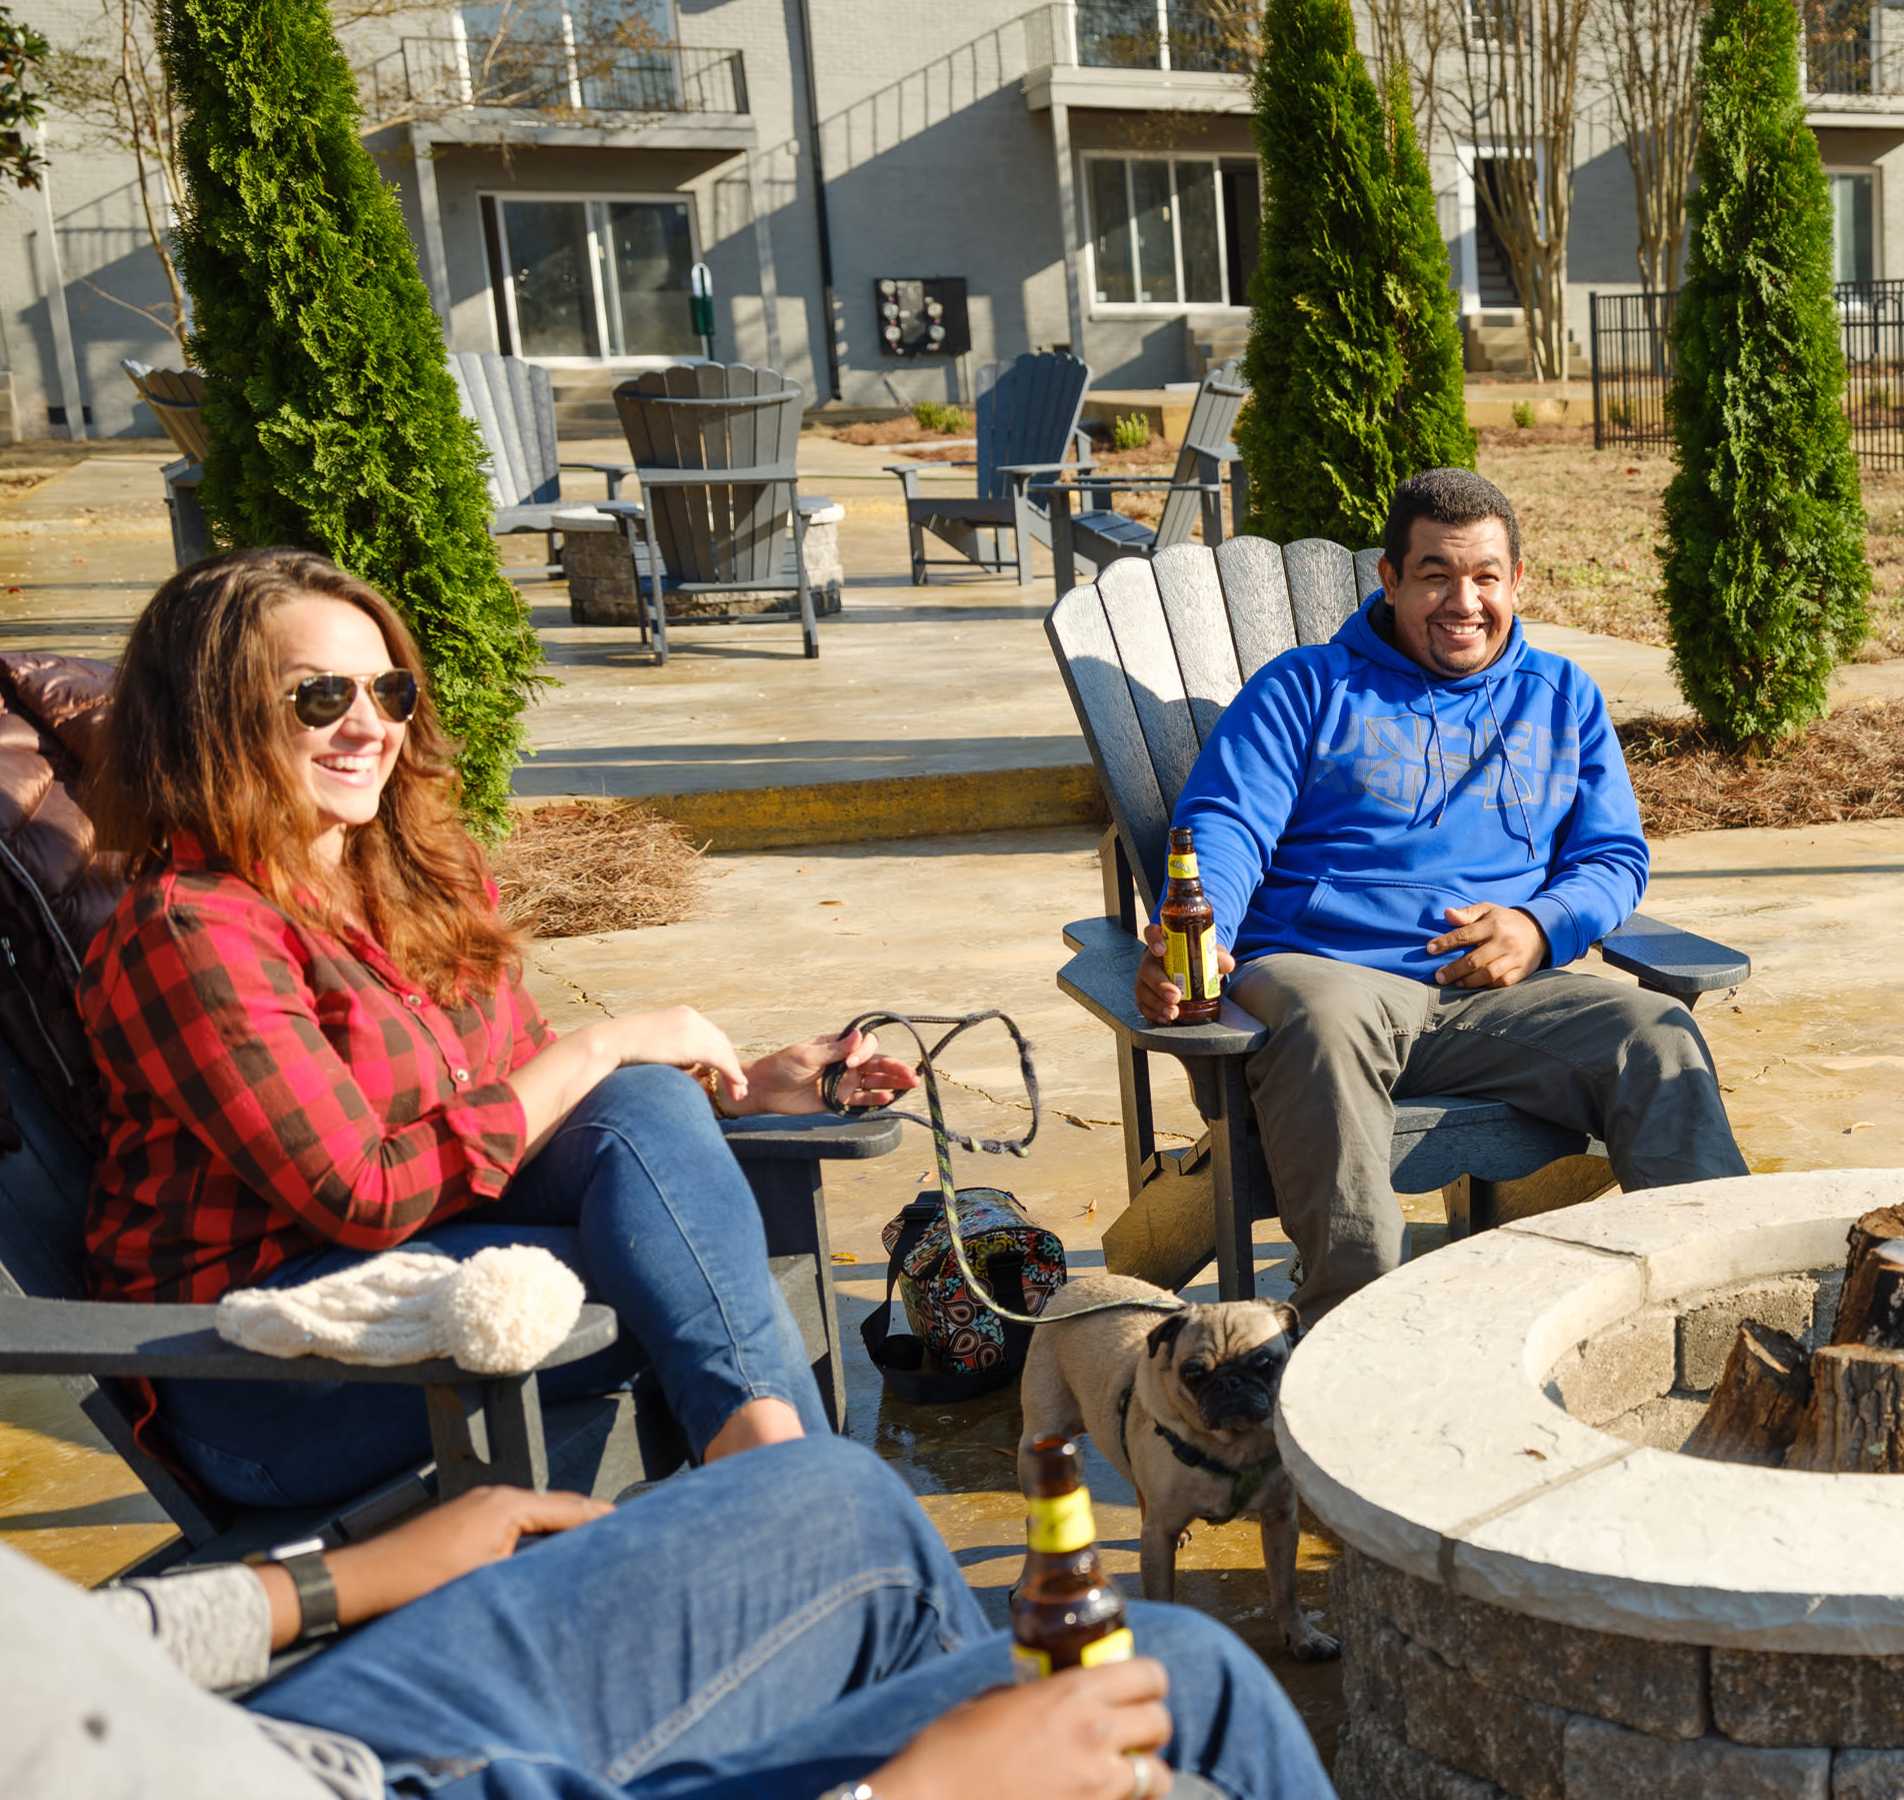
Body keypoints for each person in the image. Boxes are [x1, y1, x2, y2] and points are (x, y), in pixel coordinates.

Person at [79, 548, 919, 1512]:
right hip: (273, 1370)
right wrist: (602, 1042)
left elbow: (529, 1097)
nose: (370, 726)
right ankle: (800, 1501)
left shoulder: (407, 881)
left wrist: (734, 1093)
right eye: (319, 698)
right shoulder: (193, 931)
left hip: (432, 1276)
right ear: (212, 719)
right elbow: (367, 1193)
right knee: (690, 1272)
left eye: (388, 691)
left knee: (655, 1141)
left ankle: (773, 1483)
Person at [1137, 468, 1743, 1310]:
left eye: (1486, 576)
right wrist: (1194, 943)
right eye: (1435, 575)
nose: (1465, 601)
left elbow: (1613, 857)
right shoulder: (1305, 688)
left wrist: (1541, 927)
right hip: (1326, 976)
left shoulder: (1561, 697)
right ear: (1389, 579)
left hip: (1494, 1005)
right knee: (1326, 1016)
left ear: (1516, 581)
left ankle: (1717, 1302)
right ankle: (1355, 1326)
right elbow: (1224, 830)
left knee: (1655, 1032)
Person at [2, 1434, 1334, 1799]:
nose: (372, 725)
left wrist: (318, 1584)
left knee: (830, 1493)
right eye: (312, 714)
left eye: (398, 712)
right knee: (1173, 1675)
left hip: (264, 1736)